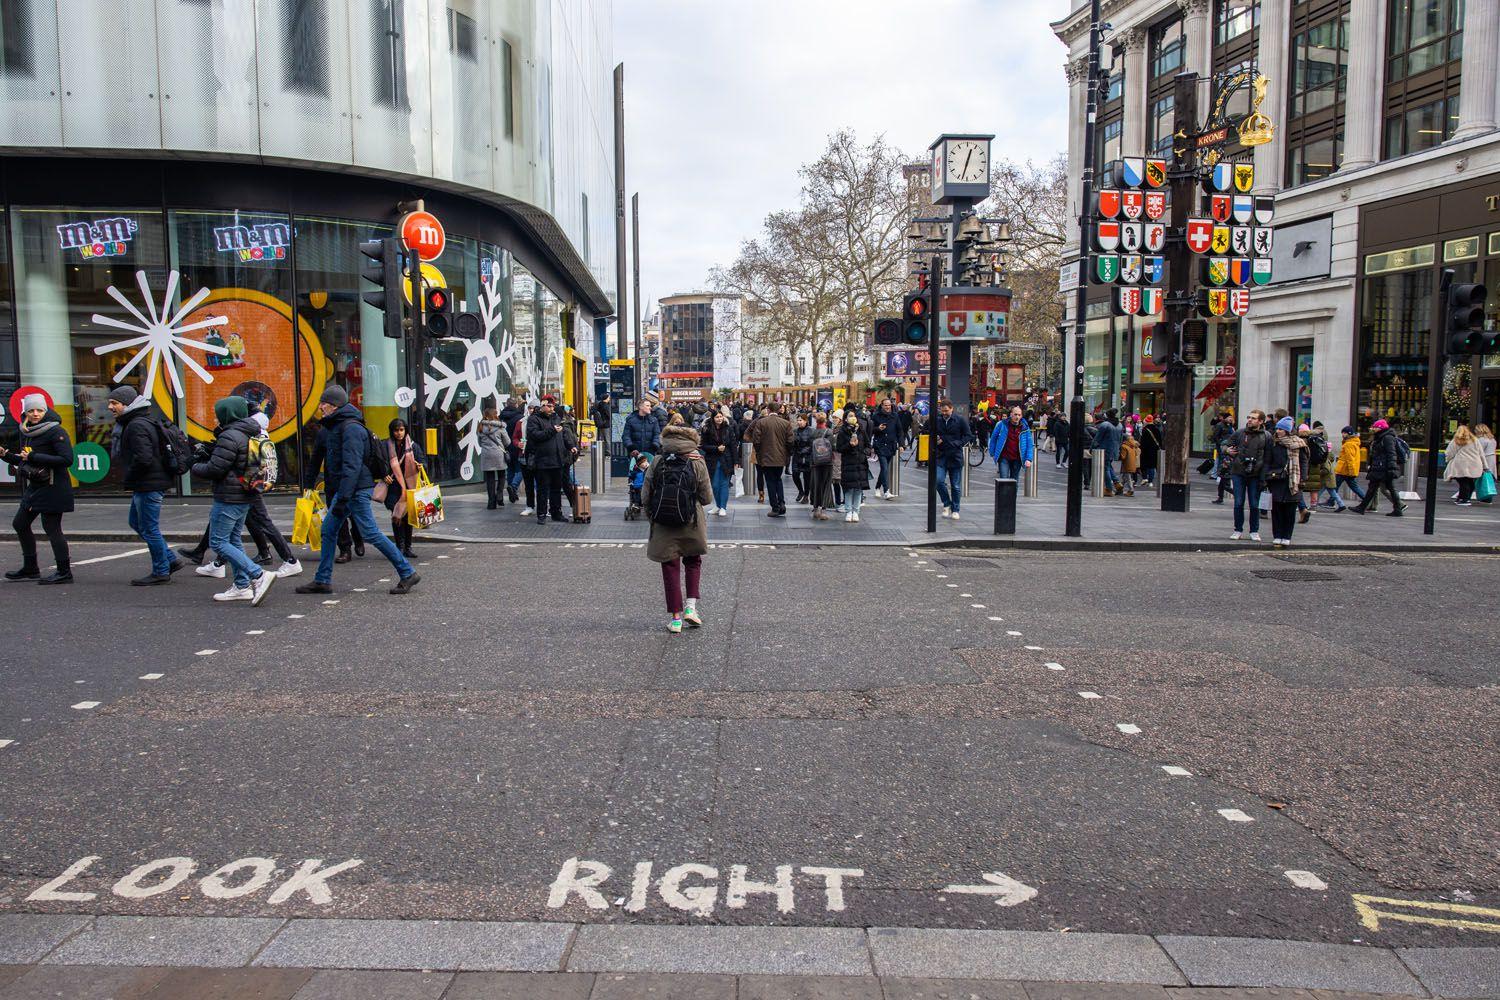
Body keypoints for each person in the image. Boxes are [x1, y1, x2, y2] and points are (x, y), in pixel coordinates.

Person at [295, 385, 419, 595]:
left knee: (370, 533)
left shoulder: (350, 429)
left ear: (333, 406)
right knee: (328, 530)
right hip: (347, 489)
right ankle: (322, 580)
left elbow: (352, 466)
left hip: (354, 490)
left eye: (323, 404)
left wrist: (342, 497)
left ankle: (407, 572)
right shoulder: (334, 427)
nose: (320, 408)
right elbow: (321, 458)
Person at [189, 395, 276, 604]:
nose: (216, 419)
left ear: (227, 414)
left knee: (218, 542)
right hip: (245, 493)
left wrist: (193, 465)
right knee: (234, 539)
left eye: (218, 415)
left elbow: (216, 469)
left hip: (229, 495)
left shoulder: (230, 436)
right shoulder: (249, 431)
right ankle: (241, 585)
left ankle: (258, 574)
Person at [107, 384, 187, 586]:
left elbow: (144, 458)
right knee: (136, 523)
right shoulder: (138, 421)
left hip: (148, 484)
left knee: (149, 528)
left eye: (114, 403)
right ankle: (170, 559)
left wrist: (130, 477)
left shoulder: (136, 425)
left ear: (126, 404)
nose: (110, 407)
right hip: (148, 483)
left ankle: (161, 570)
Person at [641, 420, 714, 634]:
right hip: (691, 519)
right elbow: (707, 497)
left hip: (663, 521)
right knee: (693, 561)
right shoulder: (696, 460)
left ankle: (675, 618)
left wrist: (652, 515)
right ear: (692, 441)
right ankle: (691, 608)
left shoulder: (658, 460)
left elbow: (646, 494)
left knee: (669, 565)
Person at [1, 394, 74, 585]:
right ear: (25, 412)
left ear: (45, 410)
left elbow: (67, 460)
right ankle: (31, 568)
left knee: (52, 528)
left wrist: (34, 456)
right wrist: (6, 455)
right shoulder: (27, 431)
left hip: (53, 487)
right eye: (31, 410)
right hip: (36, 486)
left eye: (39, 410)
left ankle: (64, 572)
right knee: (20, 523)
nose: (35, 414)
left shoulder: (55, 431)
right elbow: (26, 459)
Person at [383, 418, 425, 558]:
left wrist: (421, 466)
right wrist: (384, 475)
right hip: (393, 487)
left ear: (405, 430)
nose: (399, 433)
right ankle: (399, 546)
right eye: (396, 430)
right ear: (392, 431)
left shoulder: (413, 446)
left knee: (408, 517)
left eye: (401, 430)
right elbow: (380, 463)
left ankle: (407, 547)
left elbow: (423, 461)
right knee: (397, 515)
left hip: (409, 486)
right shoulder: (386, 445)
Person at [526, 395, 570, 524]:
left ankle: (556, 513)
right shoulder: (534, 419)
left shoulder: (556, 417)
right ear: (542, 405)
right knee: (542, 489)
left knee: (556, 489)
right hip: (543, 460)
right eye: (549, 406)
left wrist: (570, 446)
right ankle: (542, 514)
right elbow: (535, 435)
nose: (552, 408)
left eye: (553, 405)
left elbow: (563, 435)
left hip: (557, 460)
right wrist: (552, 430)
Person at [1226, 409, 1268, 541]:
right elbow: (1225, 444)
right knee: (1238, 502)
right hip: (1238, 471)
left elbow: (1269, 455)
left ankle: (1254, 530)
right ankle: (1237, 529)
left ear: (1260, 421)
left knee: (1254, 504)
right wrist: (1227, 450)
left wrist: (1265, 474)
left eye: (1254, 418)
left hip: (1256, 474)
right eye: (1249, 417)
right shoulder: (1239, 433)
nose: (1250, 420)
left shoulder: (1266, 436)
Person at [1265, 416, 1307, 548]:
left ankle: (1287, 536)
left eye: (1281, 429)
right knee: (1276, 510)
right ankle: (1277, 536)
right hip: (1276, 480)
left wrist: (1303, 479)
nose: (1277, 431)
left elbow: (1304, 462)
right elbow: (1267, 461)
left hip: (1293, 481)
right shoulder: (1274, 444)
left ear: (1288, 431)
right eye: (1277, 428)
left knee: (1289, 511)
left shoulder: (1299, 444)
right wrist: (1266, 477)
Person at [1352, 419, 1407, 516]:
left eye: (1375, 427)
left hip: (1383, 467)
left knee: (1375, 487)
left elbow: (1391, 453)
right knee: (1383, 487)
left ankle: (1362, 507)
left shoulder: (1387, 438)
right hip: (1381, 467)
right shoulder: (1380, 437)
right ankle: (1398, 508)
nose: (1373, 429)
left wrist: (1391, 467)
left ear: (1380, 428)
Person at [749, 400, 794, 518]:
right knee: (778, 479)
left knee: (770, 481)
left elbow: (756, 441)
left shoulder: (761, 422)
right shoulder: (786, 423)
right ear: (779, 410)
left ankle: (775, 507)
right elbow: (790, 441)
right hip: (780, 457)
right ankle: (782, 503)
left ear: (768, 410)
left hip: (766, 457)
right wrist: (788, 453)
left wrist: (759, 453)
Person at [932, 398, 970, 520]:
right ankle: (946, 503)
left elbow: (968, 435)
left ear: (952, 409)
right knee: (938, 480)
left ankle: (955, 509)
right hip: (941, 455)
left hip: (955, 456)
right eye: (942, 411)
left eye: (946, 411)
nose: (944, 413)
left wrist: (957, 443)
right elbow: (929, 433)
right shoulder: (937, 421)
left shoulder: (960, 420)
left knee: (955, 485)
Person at [700, 407, 738, 516]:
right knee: (715, 485)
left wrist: (736, 460)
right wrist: (716, 448)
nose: (719, 418)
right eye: (717, 417)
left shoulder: (728, 428)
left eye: (721, 416)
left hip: (726, 459)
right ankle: (717, 505)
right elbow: (704, 446)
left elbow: (733, 445)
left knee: (724, 484)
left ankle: (723, 507)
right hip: (712, 460)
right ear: (713, 418)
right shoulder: (707, 429)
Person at [1300, 421, 1341, 517]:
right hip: (1317, 465)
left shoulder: (1304, 440)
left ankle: (1301, 505)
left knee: (1301, 486)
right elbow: (1329, 455)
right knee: (1314, 487)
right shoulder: (1319, 438)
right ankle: (1313, 505)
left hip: (1309, 465)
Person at [836, 409, 870, 522]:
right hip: (848, 463)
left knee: (858, 489)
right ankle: (848, 510)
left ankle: (856, 511)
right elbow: (839, 448)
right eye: (850, 416)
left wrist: (864, 452)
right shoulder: (842, 431)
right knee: (849, 489)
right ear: (845, 419)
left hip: (860, 463)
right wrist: (849, 445)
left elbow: (868, 445)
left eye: (854, 416)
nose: (853, 418)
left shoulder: (861, 430)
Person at [987, 405, 1034, 482]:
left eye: (1019, 415)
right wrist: (992, 453)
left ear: (1021, 416)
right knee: (1003, 481)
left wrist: (1028, 459)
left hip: (1017, 458)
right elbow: (993, 438)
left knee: (1014, 481)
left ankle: (1013, 494)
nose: (1017, 417)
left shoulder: (1025, 428)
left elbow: (1029, 444)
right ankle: (1004, 494)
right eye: (1015, 414)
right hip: (1004, 457)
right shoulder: (1001, 424)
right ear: (1011, 414)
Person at [1444, 424, 1485, 505]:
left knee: (1462, 481)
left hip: (1460, 465)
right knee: (1470, 481)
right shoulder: (1475, 440)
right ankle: (1463, 498)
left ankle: (1465, 499)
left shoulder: (1455, 441)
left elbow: (1449, 453)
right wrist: (1485, 466)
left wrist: (1447, 460)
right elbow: (1481, 454)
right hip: (1474, 464)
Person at [478, 405, 510, 510]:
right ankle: (499, 495)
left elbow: (479, 443)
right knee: (501, 475)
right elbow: (508, 442)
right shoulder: (500, 427)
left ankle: (491, 502)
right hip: (498, 454)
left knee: (490, 478)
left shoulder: (480, 427)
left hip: (486, 454)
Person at [807, 411, 836, 520]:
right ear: (826, 420)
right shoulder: (829, 432)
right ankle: (823, 509)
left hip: (815, 462)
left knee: (815, 483)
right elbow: (834, 446)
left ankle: (815, 508)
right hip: (827, 462)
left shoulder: (813, 432)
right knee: (825, 484)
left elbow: (810, 447)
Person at [871, 398, 901, 499]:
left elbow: (899, 430)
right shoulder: (876, 416)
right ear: (882, 406)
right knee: (884, 467)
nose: (888, 407)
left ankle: (877, 487)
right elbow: (871, 430)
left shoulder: (895, 416)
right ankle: (886, 491)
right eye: (885, 405)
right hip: (880, 445)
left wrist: (901, 445)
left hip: (891, 445)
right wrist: (878, 428)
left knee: (885, 469)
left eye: (889, 405)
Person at [499, 396, 526, 505]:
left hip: (505, 447)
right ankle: (513, 487)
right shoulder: (520, 417)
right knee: (521, 469)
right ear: (516, 405)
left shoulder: (501, 417)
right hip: (517, 445)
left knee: (510, 469)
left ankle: (512, 491)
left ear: (506, 404)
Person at [1334, 425, 1367, 510]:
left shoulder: (1348, 444)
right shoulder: (1352, 443)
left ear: (1349, 434)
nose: (1342, 434)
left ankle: (1331, 502)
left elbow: (1350, 459)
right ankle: (1367, 500)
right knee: (1353, 487)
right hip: (1346, 470)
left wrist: (1352, 472)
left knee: (1334, 486)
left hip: (1343, 470)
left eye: (1344, 433)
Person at [1093, 409, 1124, 496]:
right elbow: (1121, 438)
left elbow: (1097, 438)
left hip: (1105, 449)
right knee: (1108, 466)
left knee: (1105, 468)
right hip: (1115, 449)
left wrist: (1092, 448)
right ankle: (1117, 483)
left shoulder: (1105, 425)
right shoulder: (1120, 425)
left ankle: (1109, 488)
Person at [621, 399, 661, 465]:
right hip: (635, 453)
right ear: (641, 407)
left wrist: (654, 445)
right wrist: (632, 448)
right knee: (635, 473)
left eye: (650, 406)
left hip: (650, 453)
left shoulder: (654, 420)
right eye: (647, 405)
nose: (650, 408)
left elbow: (657, 435)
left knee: (649, 473)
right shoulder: (631, 420)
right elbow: (626, 436)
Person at [790, 412, 813, 503]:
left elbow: (812, 444)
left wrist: (804, 451)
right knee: (795, 475)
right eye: (798, 420)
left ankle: (806, 495)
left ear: (805, 421)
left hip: (807, 457)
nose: (799, 422)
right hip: (797, 456)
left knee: (807, 477)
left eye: (801, 420)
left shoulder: (811, 430)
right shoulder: (795, 431)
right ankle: (801, 491)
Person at [1475, 424, 1497, 504]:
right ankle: (1488, 497)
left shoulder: (1481, 440)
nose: (1475, 431)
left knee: (1481, 480)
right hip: (1492, 460)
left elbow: (1479, 452)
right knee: (1489, 479)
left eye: (1476, 430)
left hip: (1485, 460)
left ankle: (1484, 497)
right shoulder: (1492, 439)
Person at [1138, 415, 1162, 486]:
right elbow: (1160, 440)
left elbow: (1143, 442)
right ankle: (1150, 482)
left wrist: (1141, 448)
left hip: (1146, 450)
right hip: (1155, 450)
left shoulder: (1145, 430)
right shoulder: (1157, 429)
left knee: (1144, 464)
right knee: (1152, 466)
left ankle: (1145, 478)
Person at [1119, 427, 1140, 494]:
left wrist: (1118, 455)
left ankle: (1131, 490)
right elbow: (1136, 454)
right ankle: (1119, 489)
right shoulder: (1133, 445)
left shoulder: (1124, 446)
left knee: (1128, 478)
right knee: (1124, 477)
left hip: (1126, 464)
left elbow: (1123, 457)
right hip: (1132, 464)